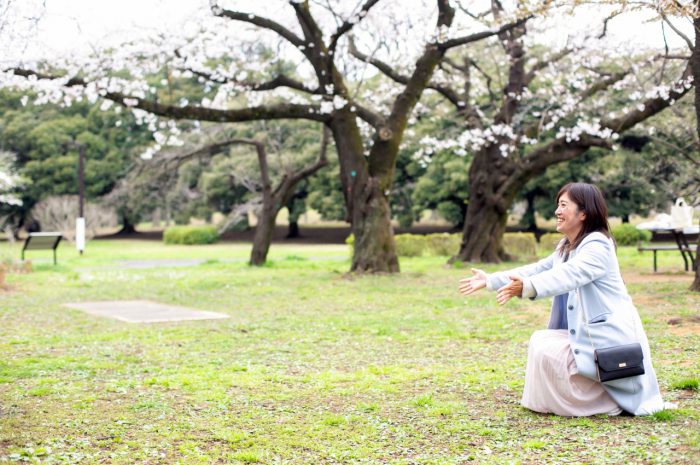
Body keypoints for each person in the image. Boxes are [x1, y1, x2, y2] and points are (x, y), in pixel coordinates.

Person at [458, 182, 666, 416]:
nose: (557, 211)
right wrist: (491, 280)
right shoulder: (568, 246)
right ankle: (575, 398)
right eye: (558, 205)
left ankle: (608, 400)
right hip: (590, 337)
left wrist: (528, 287)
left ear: (584, 213)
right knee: (542, 341)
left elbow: (569, 275)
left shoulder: (597, 245)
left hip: (609, 341)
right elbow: (538, 268)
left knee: (547, 348)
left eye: (564, 205)